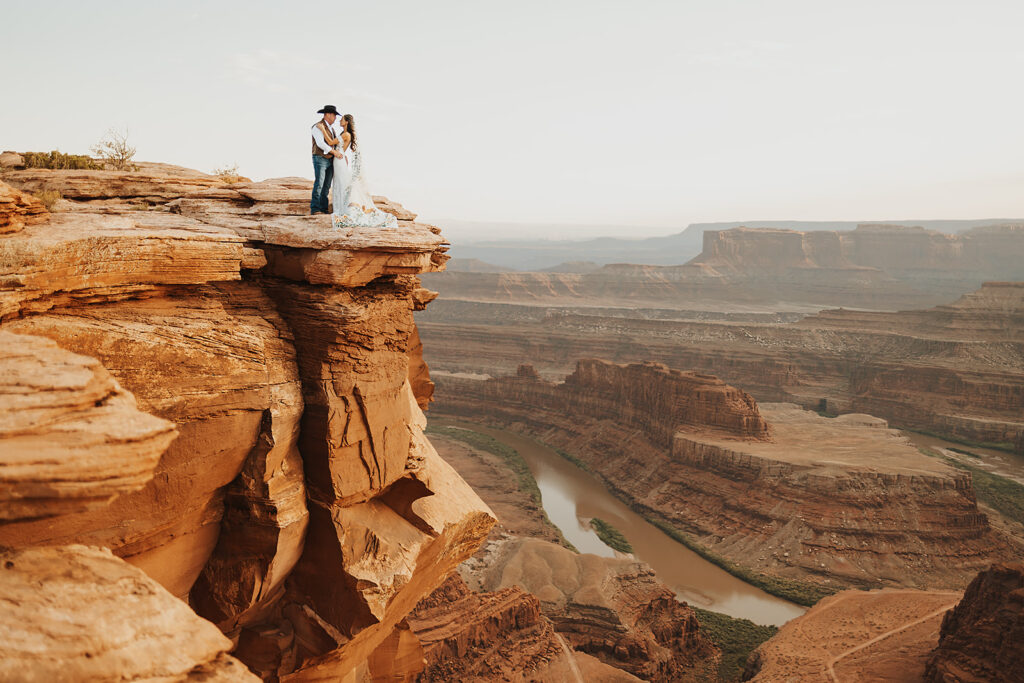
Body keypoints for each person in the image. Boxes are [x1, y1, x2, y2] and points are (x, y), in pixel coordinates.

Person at [332, 114, 398, 229]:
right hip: (339, 158)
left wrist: (321, 129)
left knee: (341, 182)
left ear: (346, 122)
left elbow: (330, 143)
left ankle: (342, 208)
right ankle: (340, 207)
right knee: (339, 182)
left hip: (338, 159)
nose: (339, 121)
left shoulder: (347, 134)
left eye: (341, 119)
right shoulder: (344, 133)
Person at [310, 105, 345, 214]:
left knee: (326, 185)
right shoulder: (317, 127)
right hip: (320, 157)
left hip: (330, 160)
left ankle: (323, 208)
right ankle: (315, 208)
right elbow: (320, 144)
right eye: (334, 115)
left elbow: (332, 142)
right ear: (328, 115)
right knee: (319, 183)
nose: (335, 118)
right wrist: (334, 152)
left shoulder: (331, 129)